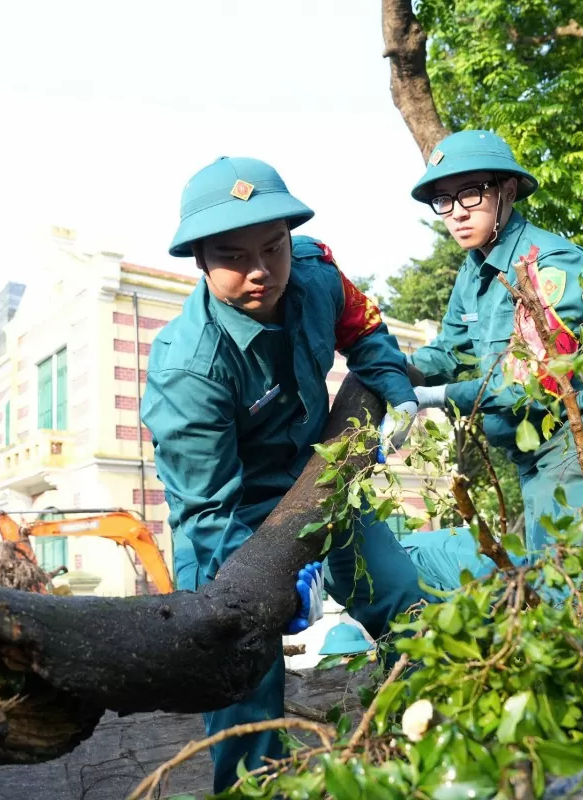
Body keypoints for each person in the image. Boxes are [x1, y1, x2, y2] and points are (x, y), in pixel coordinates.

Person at [142, 156, 434, 791]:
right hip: (232, 517)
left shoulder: (314, 270)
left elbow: (363, 326)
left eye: (272, 247)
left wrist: (390, 383)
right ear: (198, 258)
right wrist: (259, 588)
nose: (259, 270)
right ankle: (256, 786)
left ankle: (426, 747)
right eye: (233, 255)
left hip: (320, 486)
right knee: (243, 664)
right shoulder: (187, 369)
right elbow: (207, 512)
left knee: (403, 598)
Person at [406, 130, 583, 579]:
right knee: (552, 586)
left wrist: (434, 397)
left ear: (508, 191)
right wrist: (395, 370)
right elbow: (448, 348)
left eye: (471, 194)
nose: (456, 213)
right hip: (536, 454)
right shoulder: (474, 270)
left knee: (562, 587)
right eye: (443, 200)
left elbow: (532, 382)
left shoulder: (552, 266)